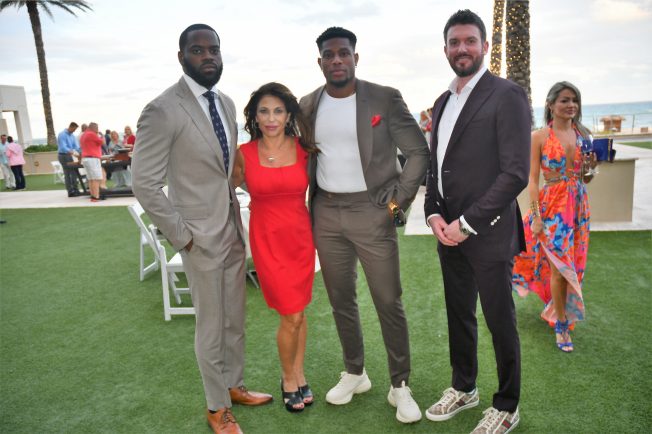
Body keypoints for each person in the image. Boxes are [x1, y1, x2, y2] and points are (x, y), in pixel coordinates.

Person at [131, 23, 271, 434]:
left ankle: (234, 385)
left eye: (214, 49)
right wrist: (183, 236)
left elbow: (226, 168)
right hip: (198, 238)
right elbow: (144, 183)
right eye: (198, 50)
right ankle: (216, 407)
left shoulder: (225, 103)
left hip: (231, 228)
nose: (208, 56)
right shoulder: (162, 109)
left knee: (235, 319)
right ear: (182, 57)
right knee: (211, 326)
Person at [299, 26, 429, 424]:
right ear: (320, 61)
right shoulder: (307, 105)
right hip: (326, 212)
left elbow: (418, 152)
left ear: (356, 57)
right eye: (329, 55)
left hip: (372, 211)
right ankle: (355, 373)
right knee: (341, 299)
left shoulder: (384, 98)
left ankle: (399, 384)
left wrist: (396, 201)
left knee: (388, 299)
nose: (337, 60)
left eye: (344, 53)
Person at [423, 10, 530, 433]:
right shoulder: (442, 102)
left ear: (484, 46)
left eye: (470, 41)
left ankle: (507, 406)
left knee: (499, 321)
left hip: (487, 232)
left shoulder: (507, 95)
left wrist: (466, 223)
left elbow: (515, 173)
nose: (462, 48)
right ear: (445, 49)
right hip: (447, 233)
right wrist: (433, 212)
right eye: (454, 42)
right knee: (459, 315)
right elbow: (436, 166)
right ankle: (464, 387)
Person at [231, 82, 318, 413]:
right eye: (264, 111)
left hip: (300, 238)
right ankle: (287, 378)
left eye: (278, 111)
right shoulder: (243, 154)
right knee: (291, 313)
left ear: (288, 115)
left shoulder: (304, 150)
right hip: (267, 240)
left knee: (299, 311)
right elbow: (224, 191)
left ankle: (299, 373)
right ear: (254, 116)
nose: (271, 118)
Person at [512, 81, 594, 353]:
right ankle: (561, 325)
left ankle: (557, 309)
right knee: (559, 267)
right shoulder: (539, 137)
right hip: (552, 208)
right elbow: (533, 181)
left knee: (573, 265)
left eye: (575, 100)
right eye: (565, 100)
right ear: (551, 104)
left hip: (578, 207)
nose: (571, 105)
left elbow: (586, 178)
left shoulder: (583, 134)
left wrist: (591, 167)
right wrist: (536, 217)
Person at [79, 122, 105, 201]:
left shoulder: (83, 135)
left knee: (90, 179)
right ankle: (96, 196)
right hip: (92, 158)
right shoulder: (91, 134)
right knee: (96, 178)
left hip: (85, 158)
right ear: (94, 128)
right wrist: (102, 135)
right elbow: (103, 142)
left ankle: (93, 196)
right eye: (97, 128)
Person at [57, 122, 81, 197]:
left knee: (74, 173)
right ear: (70, 127)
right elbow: (63, 147)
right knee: (67, 173)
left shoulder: (72, 136)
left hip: (70, 155)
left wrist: (81, 153)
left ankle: (76, 190)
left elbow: (76, 146)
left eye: (75, 130)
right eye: (74, 129)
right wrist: (72, 153)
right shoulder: (62, 134)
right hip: (63, 155)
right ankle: (70, 192)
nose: (74, 131)